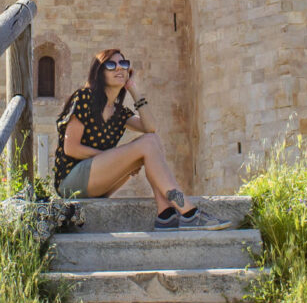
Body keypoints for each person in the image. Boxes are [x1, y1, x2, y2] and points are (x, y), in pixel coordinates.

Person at [52, 49, 232, 231]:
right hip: (71, 182)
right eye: (111, 65)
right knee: (147, 143)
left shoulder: (119, 112)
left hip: (99, 183)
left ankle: (165, 214)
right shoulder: (84, 97)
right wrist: (112, 157)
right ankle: (188, 212)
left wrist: (133, 90)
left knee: (152, 140)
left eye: (123, 64)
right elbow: (71, 148)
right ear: (99, 73)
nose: (119, 68)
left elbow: (150, 127)